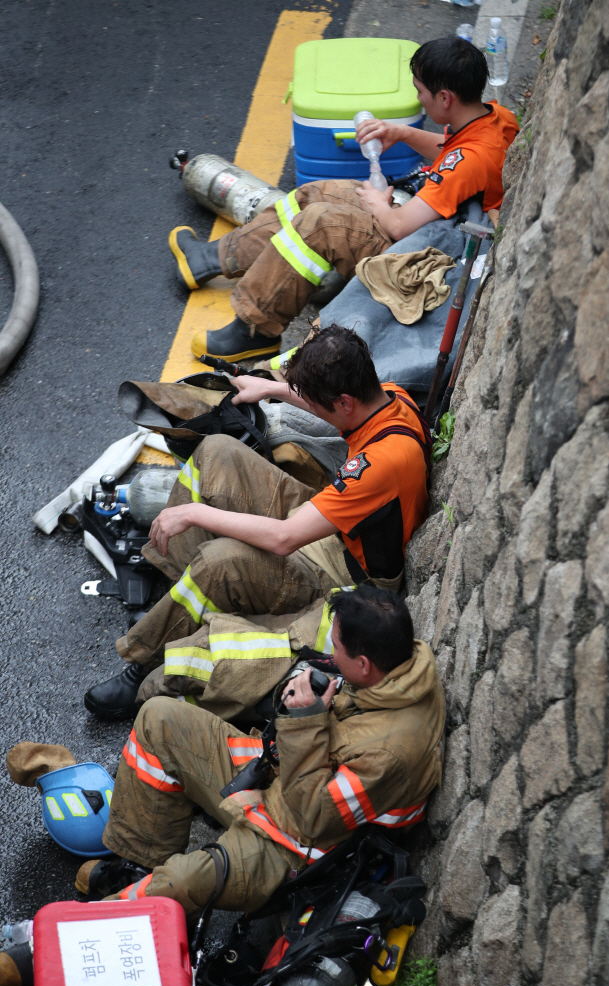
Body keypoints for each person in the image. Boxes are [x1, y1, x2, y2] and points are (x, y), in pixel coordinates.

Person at [0, 590, 445, 986]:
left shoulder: (392, 751)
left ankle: (48, 951)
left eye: (338, 649)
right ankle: (141, 869)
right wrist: (318, 698)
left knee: (183, 881)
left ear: (364, 664)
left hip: (303, 846)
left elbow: (312, 818)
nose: (330, 653)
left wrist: (305, 719)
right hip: (286, 781)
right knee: (160, 720)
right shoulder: (396, 668)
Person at [84, 325, 431, 720]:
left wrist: (193, 513)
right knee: (217, 452)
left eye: (317, 403)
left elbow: (284, 539)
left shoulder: (379, 466)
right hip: (337, 524)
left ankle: (142, 660)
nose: (312, 408)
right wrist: (270, 389)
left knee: (220, 561)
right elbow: (334, 414)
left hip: (345, 572)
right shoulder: (391, 400)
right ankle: (178, 602)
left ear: (346, 402)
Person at [169, 36, 519, 363]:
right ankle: (210, 258)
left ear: (444, 98)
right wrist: (402, 132)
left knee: (322, 223)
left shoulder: (469, 161)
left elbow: (398, 226)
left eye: (421, 92)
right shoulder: (494, 118)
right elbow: (451, 150)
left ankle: (255, 329)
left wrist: (379, 205)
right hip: (435, 226)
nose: (418, 100)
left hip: (425, 258)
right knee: (321, 192)